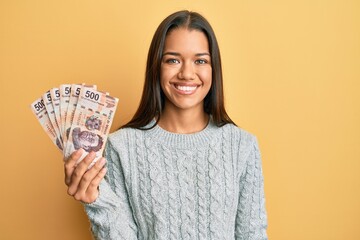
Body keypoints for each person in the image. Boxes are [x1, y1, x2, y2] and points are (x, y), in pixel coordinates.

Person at [64, 10, 268, 239]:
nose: (187, 73)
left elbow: (253, 234)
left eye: (200, 60)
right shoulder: (121, 147)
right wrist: (97, 202)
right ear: (156, 66)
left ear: (214, 69)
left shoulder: (242, 146)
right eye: (173, 60)